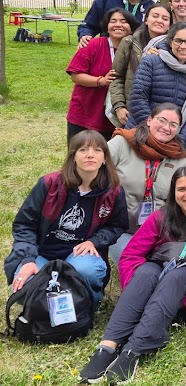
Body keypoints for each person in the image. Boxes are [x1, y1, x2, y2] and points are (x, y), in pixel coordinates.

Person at [78, 166, 186, 385]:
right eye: (181, 189)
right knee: (146, 272)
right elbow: (131, 254)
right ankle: (108, 346)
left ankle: (132, 351)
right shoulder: (161, 217)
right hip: (159, 270)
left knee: (175, 277)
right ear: (173, 192)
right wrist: (137, 289)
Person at [6, 131, 129, 306]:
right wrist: (28, 260)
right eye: (83, 150)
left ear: (104, 159)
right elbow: (24, 225)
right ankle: (47, 309)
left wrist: (94, 241)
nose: (90, 155)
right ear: (73, 156)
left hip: (79, 255)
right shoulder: (49, 184)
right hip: (41, 253)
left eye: (97, 150)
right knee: (27, 283)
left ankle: (85, 305)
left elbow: (117, 226)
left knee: (89, 270)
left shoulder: (113, 191)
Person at [107, 103, 186, 261]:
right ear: (149, 120)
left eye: (173, 124)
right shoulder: (122, 143)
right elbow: (95, 171)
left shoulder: (180, 160)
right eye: (162, 120)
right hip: (121, 229)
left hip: (159, 235)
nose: (166, 127)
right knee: (134, 265)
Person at [66, 8, 139, 142]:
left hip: (117, 118)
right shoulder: (93, 45)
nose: (118, 25)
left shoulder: (135, 51)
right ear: (107, 26)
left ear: (132, 27)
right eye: (113, 21)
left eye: (124, 21)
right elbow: (75, 75)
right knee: (80, 156)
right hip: (86, 113)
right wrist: (101, 81)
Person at [127, 22, 186, 148]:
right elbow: (137, 99)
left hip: (172, 142)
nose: (183, 46)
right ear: (170, 41)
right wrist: (154, 132)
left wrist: (180, 142)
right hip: (141, 136)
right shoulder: (151, 61)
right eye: (178, 41)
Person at [108, 3, 173, 127]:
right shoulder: (129, 43)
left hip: (161, 113)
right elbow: (116, 77)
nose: (159, 21)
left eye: (165, 19)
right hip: (131, 111)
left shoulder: (173, 48)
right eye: (155, 16)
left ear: (169, 25)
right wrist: (119, 106)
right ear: (146, 20)